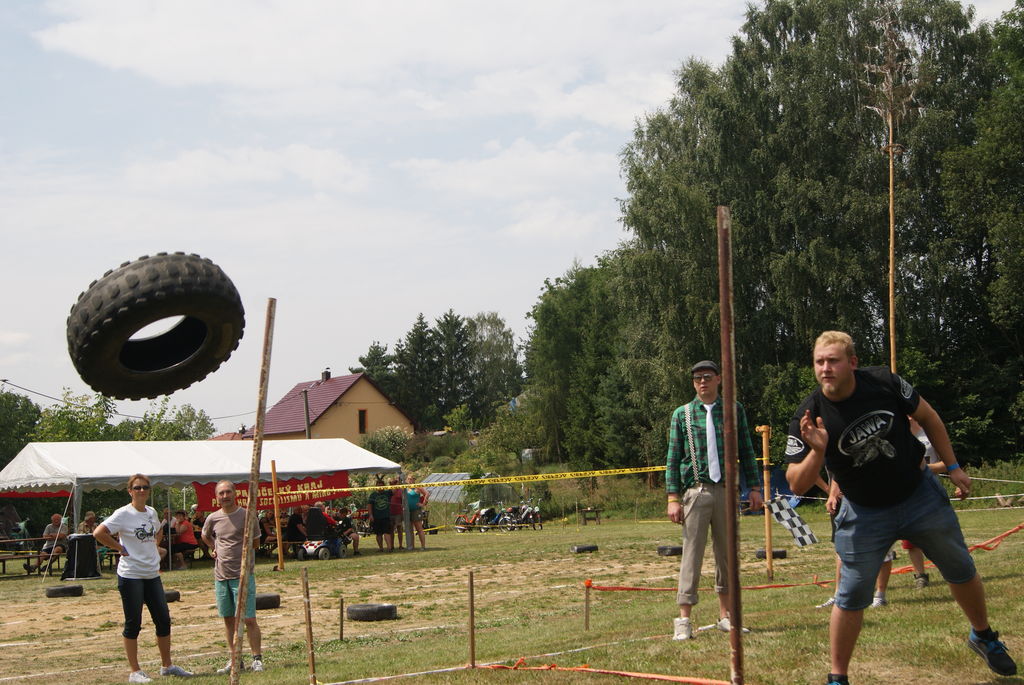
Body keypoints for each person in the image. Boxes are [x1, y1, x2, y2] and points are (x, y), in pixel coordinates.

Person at [786, 331, 1016, 683]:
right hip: (863, 511)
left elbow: (930, 417)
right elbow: (796, 484)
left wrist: (953, 467)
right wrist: (817, 451)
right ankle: (837, 678)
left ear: (852, 362)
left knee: (960, 566)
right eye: (819, 362)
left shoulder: (884, 383)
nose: (825, 368)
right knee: (850, 595)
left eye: (833, 360)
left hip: (917, 494)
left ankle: (983, 636)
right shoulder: (810, 414)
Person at [665, 360, 764, 640]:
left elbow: (747, 449)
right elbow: (673, 457)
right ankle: (684, 620)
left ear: (719, 379)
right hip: (695, 492)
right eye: (697, 378)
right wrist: (673, 497)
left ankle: (726, 616)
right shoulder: (682, 414)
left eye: (707, 377)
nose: (702, 382)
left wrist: (754, 487)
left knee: (727, 556)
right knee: (691, 555)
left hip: (727, 491)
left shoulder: (734, 410)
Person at [93, 474, 193, 683]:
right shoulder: (123, 513)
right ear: (130, 491)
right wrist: (119, 547)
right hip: (131, 575)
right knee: (134, 622)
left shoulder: (151, 512)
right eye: (137, 487)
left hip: (151, 574)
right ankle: (135, 671)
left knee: (163, 620)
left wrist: (154, 547)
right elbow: (99, 533)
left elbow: (158, 530)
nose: (141, 491)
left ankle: (167, 666)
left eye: (145, 487)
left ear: (149, 491)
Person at [201, 480, 264, 674]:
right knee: (228, 619)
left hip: (243, 575)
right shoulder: (213, 518)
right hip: (221, 576)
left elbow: (256, 543)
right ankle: (236, 658)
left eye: (228, 492)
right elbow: (205, 535)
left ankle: (257, 659)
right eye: (221, 493)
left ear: (235, 493)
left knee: (249, 619)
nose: (225, 496)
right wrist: (214, 547)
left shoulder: (247, 515)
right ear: (216, 497)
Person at [367, 476, 393, 552]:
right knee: (378, 534)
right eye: (378, 485)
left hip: (386, 516)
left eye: (381, 485)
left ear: (384, 486)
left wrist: (393, 484)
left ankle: (389, 548)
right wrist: (370, 515)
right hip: (376, 517)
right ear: (376, 486)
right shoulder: (373, 495)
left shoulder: (387, 493)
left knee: (387, 532)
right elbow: (369, 505)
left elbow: (394, 490)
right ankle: (380, 548)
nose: (380, 487)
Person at [407, 484, 429, 549]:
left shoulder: (417, 487)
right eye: (409, 479)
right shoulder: (405, 488)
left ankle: (423, 546)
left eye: (411, 479)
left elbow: (427, 494)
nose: (410, 481)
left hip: (416, 510)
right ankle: (411, 546)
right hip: (407, 511)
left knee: (419, 528)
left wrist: (423, 504)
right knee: (410, 530)